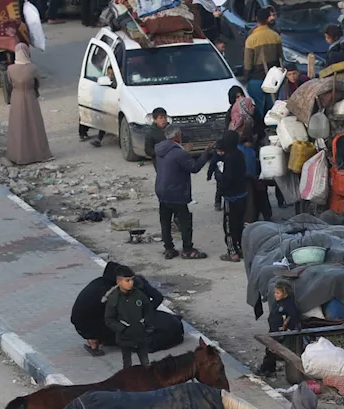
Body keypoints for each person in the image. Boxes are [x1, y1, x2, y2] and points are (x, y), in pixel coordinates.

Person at [154, 126, 214, 259]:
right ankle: (188, 249)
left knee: (165, 220)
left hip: (161, 190)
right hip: (176, 191)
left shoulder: (161, 149)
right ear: (177, 136)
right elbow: (194, 167)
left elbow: (173, 160)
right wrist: (206, 153)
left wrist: (183, 151)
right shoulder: (179, 153)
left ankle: (169, 248)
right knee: (185, 220)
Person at [103, 265, 166, 368]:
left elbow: (148, 309)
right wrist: (122, 328)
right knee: (127, 364)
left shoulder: (139, 295)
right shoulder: (114, 299)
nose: (131, 283)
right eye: (127, 281)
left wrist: (145, 322)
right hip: (125, 338)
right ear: (119, 282)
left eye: (132, 280)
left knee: (145, 363)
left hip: (140, 335)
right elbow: (109, 319)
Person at [6, 44, 52, 166]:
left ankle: (17, 155)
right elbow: (37, 83)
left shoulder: (10, 69)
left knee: (18, 126)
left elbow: (10, 83)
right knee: (34, 125)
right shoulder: (33, 68)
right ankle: (38, 154)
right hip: (30, 97)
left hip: (16, 98)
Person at [213, 131, 250, 262]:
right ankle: (240, 248)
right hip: (242, 194)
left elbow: (227, 177)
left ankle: (232, 252)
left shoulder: (228, 157)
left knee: (229, 226)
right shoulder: (240, 154)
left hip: (231, 197)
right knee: (239, 224)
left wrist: (221, 187)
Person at [72, 261, 123, 356]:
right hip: (87, 326)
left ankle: (94, 338)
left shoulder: (99, 282)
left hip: (79, 322)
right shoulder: (109, 290)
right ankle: (94, 339)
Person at [242, 10, 282, 112]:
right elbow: (280, 57)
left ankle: (260, 126)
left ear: (256, 19)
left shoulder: (251, 39)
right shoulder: (275, 36)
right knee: (273, 106)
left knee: (257, 107)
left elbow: (248, 63)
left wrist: (246, 78)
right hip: (273, 77)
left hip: (256, 78)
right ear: (267, 19)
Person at [259, 280, 301, 377]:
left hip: (280, 331)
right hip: (273, 330)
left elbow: (294, 316)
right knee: (270, 350)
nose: (275, 295)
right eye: (275, 292)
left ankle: (267, 369)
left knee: (271, 350)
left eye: (278, 293)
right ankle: (269, 369)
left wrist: (292, 327)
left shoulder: (288, 304)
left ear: (285, 294)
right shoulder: (277, 302)